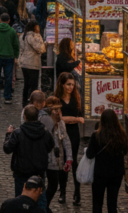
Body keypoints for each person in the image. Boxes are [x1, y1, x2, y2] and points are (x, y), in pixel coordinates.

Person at [3, 106, 54, 211]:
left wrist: (8, 135)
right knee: (40, 203)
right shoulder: (45, 132)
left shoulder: (18, 132)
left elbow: (7, 148)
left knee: (21, 203)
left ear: (25, 116)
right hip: (39, 173)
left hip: (21, 173)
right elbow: (50, 146)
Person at [86, 109, 128, 213]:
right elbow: (125, 151)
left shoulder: (96, 136)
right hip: (116, 174)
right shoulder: (121, 135)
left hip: (100, 174)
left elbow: (89, 155)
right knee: (112, 204)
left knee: (97, 203)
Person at [55, 72, 85, 205]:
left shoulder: (76, 98)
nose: (70, 87)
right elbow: (60, 119)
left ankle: (77, 192)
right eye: (68, 84)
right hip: (61, 133)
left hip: (73, 134)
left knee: (73, 161)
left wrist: (71, 120)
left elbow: (78, 116)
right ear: (62, 84)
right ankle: (62, 191)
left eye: (72, 85)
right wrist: (76, 119)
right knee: (63, 161)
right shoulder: (57, 99)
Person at [43, 97, 74, 208]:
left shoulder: (61, 122)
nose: (58, 112)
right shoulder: (43, 121)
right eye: (55, 110)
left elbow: (65, 140)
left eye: (59, 109)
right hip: (44, 157)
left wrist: (69, 158)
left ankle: (45, 206)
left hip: (55, 159)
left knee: (53, 184)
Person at [0, 12, 20, 104]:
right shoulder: (12, 31)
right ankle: (7, 96)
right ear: (9, 20)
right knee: (8, 77)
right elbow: (16, 45)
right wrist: (16, 56)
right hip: (9, 57)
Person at [19, 20, 45, 106]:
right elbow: (40, 49)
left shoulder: (23, 35)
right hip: (32, 64)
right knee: (33, 85)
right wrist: (43, 42)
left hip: (24, 63)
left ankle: (24, 102)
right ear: (35, 27)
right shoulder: (33, 36)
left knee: (26, 84)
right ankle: (32, 103)